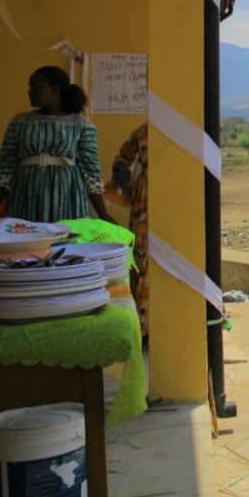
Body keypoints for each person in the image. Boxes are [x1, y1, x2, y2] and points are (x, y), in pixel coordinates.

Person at [0, 66, 113, 223]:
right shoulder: (20, 122)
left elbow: (91, 172)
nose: (29, 92)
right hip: (26, 197)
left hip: (68, 199)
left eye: (35, 87)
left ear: (54, 90)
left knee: (66, 244)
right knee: (27, 242)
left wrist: (103, 214)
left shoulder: (81, 125)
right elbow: (5, 168)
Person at [108, 122, 149, 339]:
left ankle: (144, 325)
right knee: (143, 257)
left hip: (150, 197)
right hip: (147, 198)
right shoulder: (144, 131)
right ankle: (142, 325)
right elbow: (121, 162)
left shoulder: (145, 130)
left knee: (146, 258)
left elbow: (121, 162)